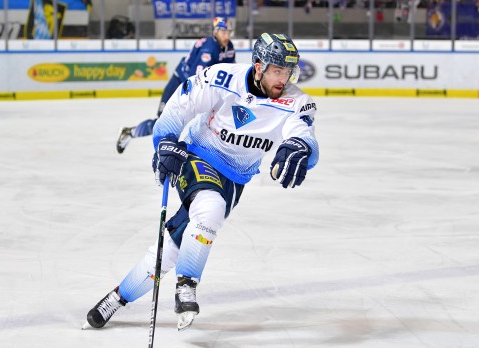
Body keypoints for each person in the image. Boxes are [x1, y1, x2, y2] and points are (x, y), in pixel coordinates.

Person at [86, 32, 319, 331]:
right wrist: (165, 141)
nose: (283, 78)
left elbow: (306, 137)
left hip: (236, 179)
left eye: (288, 71)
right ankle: (187, 284)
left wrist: (302, 147)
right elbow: (181, 105)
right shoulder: (222, 77)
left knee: (169, 249)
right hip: (197, 155)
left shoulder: (297, 101)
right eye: (277, 70)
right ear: (259, 66)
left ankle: (117, 298)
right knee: (209, 207)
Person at [115, 16, 236, 154]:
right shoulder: (209, 49)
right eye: (223, 32)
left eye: (228, 32)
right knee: (161, 122)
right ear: (215, 32)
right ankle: (131, 132)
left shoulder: (229, 47)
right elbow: (197, 78)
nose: (226, 36)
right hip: (179, 85)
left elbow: (229, 72)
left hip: (193, 87)